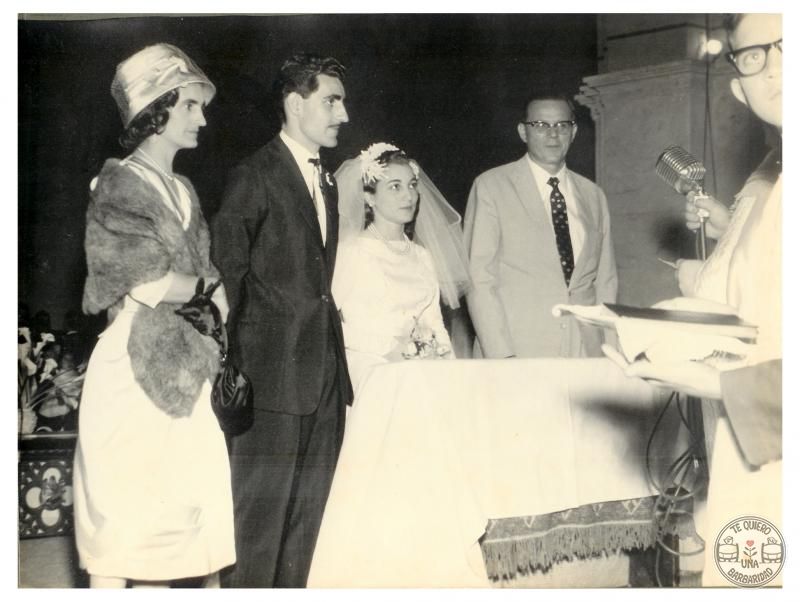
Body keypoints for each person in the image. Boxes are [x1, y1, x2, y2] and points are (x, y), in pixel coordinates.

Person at [604, 13, 782, 587]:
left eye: (790, 43)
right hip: (760, 426)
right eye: (755, 55)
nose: (776, 67)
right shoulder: (773, 173)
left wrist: (719, 383)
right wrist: (727, 230)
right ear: (740, 89)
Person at [73, 43, 235, 588]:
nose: (202, 119)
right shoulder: (118, 183)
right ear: (154, 110)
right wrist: (208, 288)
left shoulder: (183, 188)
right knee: (124, 532)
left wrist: (208, 292)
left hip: (186, 371)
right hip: (133, 371)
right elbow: (146, 282)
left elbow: (201, 278)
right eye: (190, 105)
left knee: (169, 542)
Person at [211, 53, 353, 588]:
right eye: (331, 102)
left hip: (324, 377)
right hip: (268, 380)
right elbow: (226, 275)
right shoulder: (253, 175)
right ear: (296, 104)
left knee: (308, 525)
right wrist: (236, 366)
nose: (343, 115)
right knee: (258, 526)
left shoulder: (327, 181)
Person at [464, 93, 617, 359]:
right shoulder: (491, 186)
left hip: (586, 351)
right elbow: (479, 279)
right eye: (541, 125)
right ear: (523, 132)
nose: (553, 134)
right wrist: (501, 355)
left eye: (562, 125)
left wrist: (610, 349)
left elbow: (606, 280)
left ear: (573, 132)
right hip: (518, 350)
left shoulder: (593, 195)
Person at [332, 143, 471, 393]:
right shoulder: (352, 252)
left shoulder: (421, 255)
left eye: (412, 185)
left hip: (422, 374)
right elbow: (328, 324)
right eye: (395, 187)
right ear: (369, 197)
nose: (409, 196)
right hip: (373, 372)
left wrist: (449, 371)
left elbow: (435, 323)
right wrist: (391, 348)